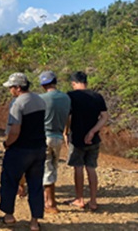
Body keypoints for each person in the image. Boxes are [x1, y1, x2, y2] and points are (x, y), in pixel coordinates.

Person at [0, 73, 46, 231]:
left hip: (20, 150)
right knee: (36, 185)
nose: (10, 90)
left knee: (9, 181)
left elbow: (15, 131)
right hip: (39, 148)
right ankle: (34, 222)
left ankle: (9, 216)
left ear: (18, 88)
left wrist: (6, 143)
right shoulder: (40, 99)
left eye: (11, 87)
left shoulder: (17, 103)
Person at [64, 71, 108, 212]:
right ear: (86, 82)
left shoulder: (70, 96)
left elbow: (67, 117)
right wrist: (92, 131)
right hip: (93, 139)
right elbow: (104, 117)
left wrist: (66, 132)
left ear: (73, 83)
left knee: (78, 167)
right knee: (91, 168)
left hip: (77, 138)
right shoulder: (97, 96)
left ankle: (79, 199)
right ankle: (93, 201)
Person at [38, 71, 70, 213]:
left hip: (44, 136)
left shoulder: (40, 99)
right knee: (53, 167)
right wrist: (66, 133)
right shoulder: (66, 98)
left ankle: (49, 203)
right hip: (58, 137)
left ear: (43, 85)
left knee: (45, 167)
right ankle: (50, 200)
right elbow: (69, 117)